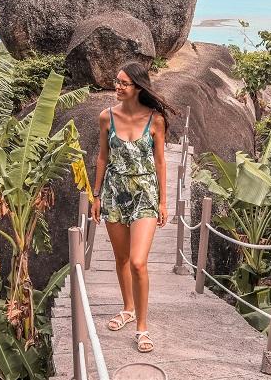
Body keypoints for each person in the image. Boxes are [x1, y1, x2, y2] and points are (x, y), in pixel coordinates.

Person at [91, 61, 176, 353]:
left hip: (145, 195)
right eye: (116, 81)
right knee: (122, 258)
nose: (117, 86)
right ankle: (127, 308)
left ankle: (142, 326)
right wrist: (97, 195)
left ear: (138, 87)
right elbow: (102, 157)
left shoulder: (155, 120)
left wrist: (164, 201)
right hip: (114, 193)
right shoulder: (106, 117)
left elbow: (161, 162)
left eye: (124, 83)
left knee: (139, 262)